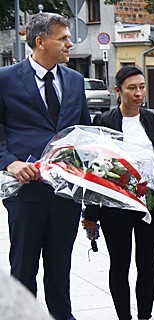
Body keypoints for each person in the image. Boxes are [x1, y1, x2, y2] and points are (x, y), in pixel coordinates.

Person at [0, 12, 91, 320]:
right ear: (40, 42)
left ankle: (62, 316)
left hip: (66, 193)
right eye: (63, 38)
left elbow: (85, 133)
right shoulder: (5, 79)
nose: (70, 43)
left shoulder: (76, 81)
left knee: (61, 265)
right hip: (26, 192)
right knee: (24, 266)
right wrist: (9, 162)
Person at [79, 66, 154, 320]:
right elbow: (96, 170)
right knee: (120, 265)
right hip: (115, 206)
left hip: (149, 204)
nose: (138, 93)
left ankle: (145, 316)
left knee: (148, 264)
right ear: (117, 91)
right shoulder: (105, 122)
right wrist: (91, 212)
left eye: (141, 87)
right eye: (131, 88)